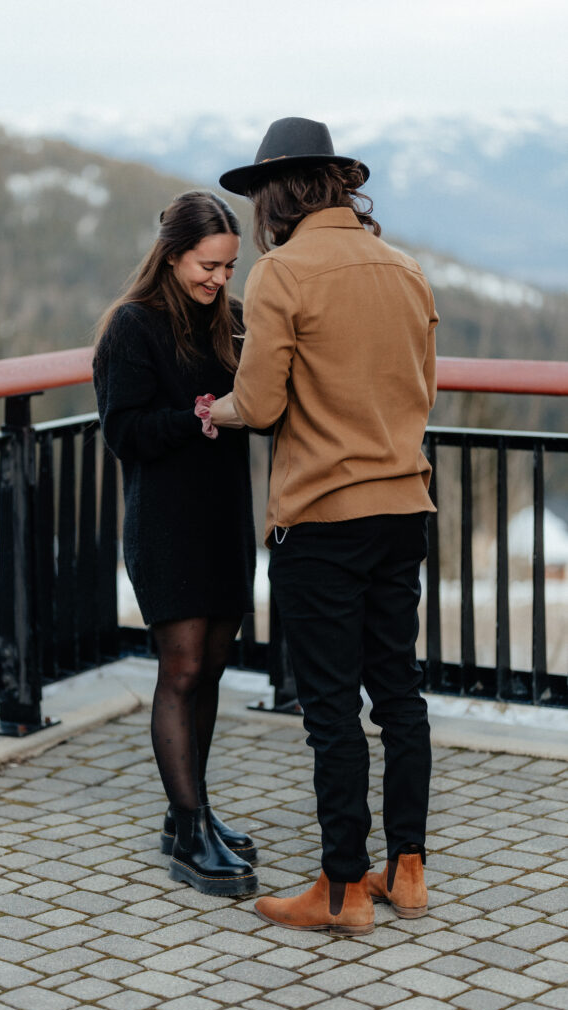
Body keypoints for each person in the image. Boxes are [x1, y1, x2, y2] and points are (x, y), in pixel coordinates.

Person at [213, 118, 437, 933]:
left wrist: (220, 409)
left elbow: (264, 403)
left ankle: (342, 889)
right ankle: (404, 872)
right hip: (401, 507)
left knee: (332, 710)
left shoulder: (282, 275)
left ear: (277, 194)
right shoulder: (405, 269)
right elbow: (423, 390)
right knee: (399, 694)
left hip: (322, 517)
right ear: (339, 184)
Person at [93, 190, 258, 897]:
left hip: (225, 516)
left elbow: (254, 407)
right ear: (172, 253)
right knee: (182, 668)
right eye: (207, 265)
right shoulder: (133, 326)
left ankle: (190, 811)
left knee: (214, 666)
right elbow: (124, 432)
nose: (218, 279)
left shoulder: (237, 322)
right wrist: (194, 419)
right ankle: (189, 836)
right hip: (166, 519)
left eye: (227, 266)